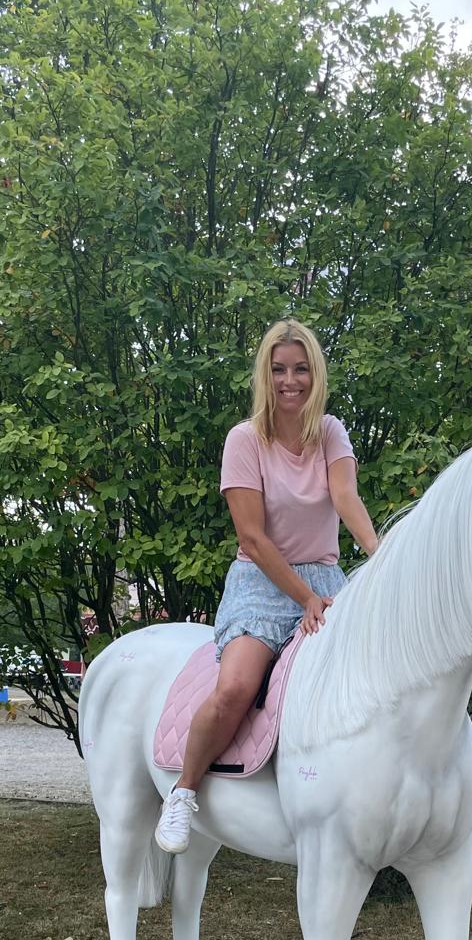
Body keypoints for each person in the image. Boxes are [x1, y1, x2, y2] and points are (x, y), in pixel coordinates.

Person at [154, 319, 379, 854]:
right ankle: (183, 792)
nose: (290, 381)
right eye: (279, 369)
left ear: (315, 374)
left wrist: (382, 557)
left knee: (380, 679)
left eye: (301, 369)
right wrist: (303, 598)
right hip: (261, 585)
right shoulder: (244, 440)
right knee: (235, 687)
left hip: (324, 580)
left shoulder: (330, 432)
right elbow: (252, 539)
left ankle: (409, 810)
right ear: (265, 374)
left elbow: (345, 498)